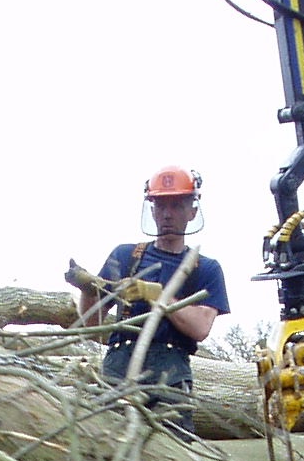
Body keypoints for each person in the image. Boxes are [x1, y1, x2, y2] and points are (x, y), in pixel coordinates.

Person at [70, 165, 230, 435]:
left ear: (192, 211)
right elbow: (91, 324)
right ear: (152, 209)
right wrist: (88, 290)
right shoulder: (125, 256)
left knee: (173, 448)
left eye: (176, 205)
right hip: (118, 370)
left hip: (170, 374)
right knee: (107, 443)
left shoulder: (204, 268)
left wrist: (158, 296)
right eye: (161, 205)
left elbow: (200, 328)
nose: (167, 213)